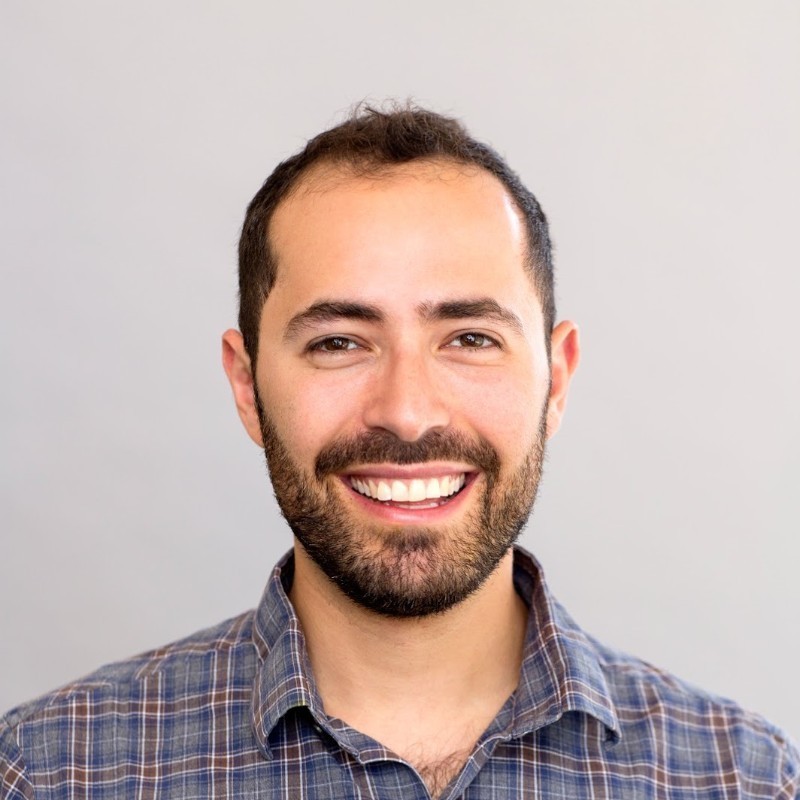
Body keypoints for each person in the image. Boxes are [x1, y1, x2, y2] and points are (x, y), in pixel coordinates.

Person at [2, 104, 797, 800]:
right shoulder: (51, 774)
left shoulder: (746, 780)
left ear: (557, 378)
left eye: (470, 338)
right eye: (340, 342)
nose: (408, 413)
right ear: (246, 386)